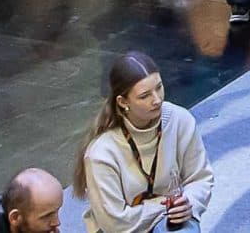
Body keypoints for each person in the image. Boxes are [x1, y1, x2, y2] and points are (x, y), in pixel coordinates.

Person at [75, 54, 214, 233]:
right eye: (144, 96)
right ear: (123, 102)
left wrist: (188, 202)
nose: (157, 100)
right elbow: (114, 223)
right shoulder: (101, 153)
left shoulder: (180, 120)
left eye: (159, 87)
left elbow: (200, 177)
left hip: (167, 220)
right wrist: (164, 206)